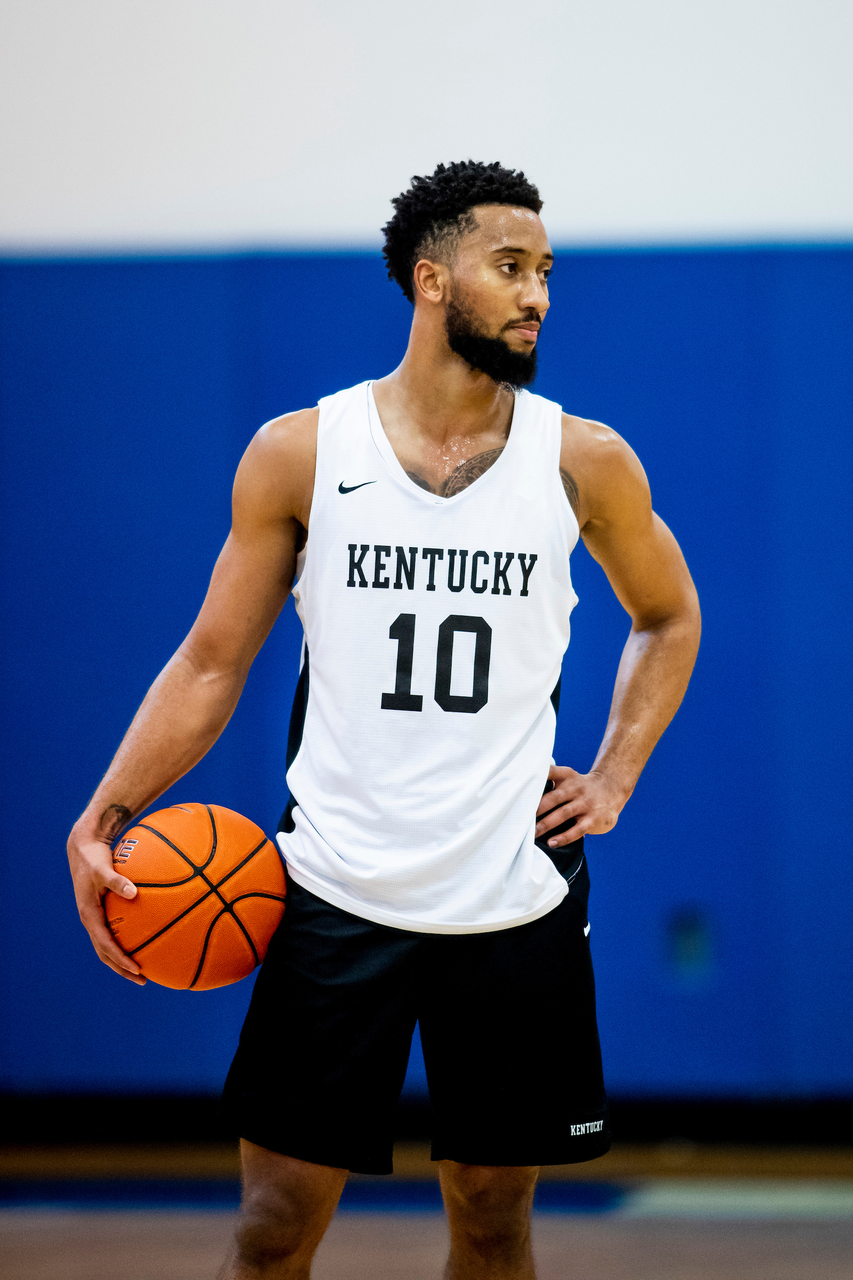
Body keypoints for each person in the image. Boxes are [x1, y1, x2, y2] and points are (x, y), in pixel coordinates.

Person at [67, 160, 701, 1279]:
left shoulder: (584, 461)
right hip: (333, 888)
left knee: (495, 1224)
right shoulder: (302, 452)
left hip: (514, 895)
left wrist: (614, 774)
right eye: (511, 267)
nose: (538, 294)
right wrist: (107, 812)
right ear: (430, 278)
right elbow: (212, 660)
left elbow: (668, 616)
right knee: (272, 1228)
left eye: (546, 271)